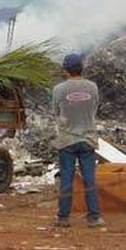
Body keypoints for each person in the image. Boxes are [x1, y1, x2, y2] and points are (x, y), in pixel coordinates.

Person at [52, 53, 104, 228]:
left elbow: (55, 112)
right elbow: (94, 109)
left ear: (66, 70)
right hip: (88, 138)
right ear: (81, 68)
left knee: (66, 178)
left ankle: (63, 217)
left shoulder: (59, 89)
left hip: (67, 140)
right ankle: (94, 217)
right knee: (89, 178)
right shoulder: (93, 87)